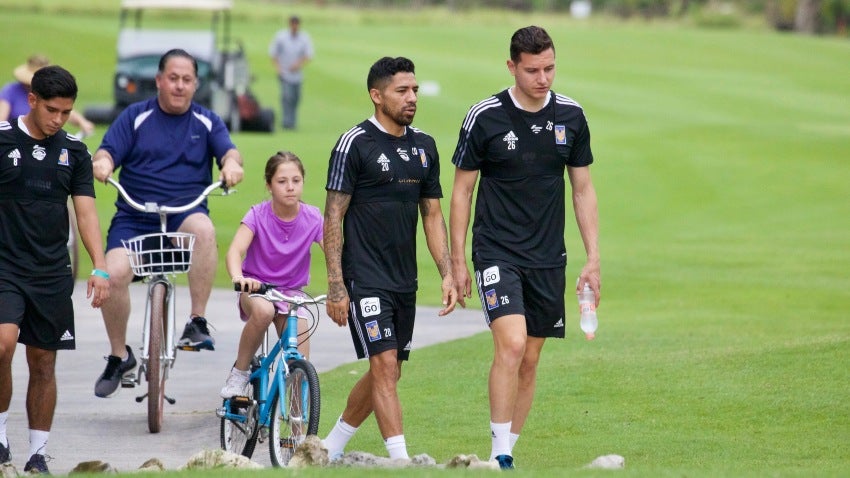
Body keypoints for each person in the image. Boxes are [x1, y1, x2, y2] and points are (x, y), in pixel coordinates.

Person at [449, 26, 600, 470]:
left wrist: (593, 258)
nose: (543, 78)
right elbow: (461, 192)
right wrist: (457, 262)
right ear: (511, 66)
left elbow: (583, 189)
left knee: (531, 357)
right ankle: (500, 453)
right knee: (511, 344)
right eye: (532, 70)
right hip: (496, 250)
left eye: (550, 68)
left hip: (548, 255)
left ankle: (508, 450)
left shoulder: (571, 117)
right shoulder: (486, 117)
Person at [320, 56, 457, 461]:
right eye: (402, 90)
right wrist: (335, 284)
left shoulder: (425, 146)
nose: (412, 97)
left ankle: (331, 446)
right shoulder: (354, 144)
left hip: (404, 279)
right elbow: (333, 216)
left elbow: (432, 214)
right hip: (365, 277)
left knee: (390, 369)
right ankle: (401, 461)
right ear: (376, 95)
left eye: (414, 89)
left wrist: (447, 274)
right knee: (383, 365)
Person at [91, 48, 245, 399]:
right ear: (159, 80)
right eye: (172, 78)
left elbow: (229, 152)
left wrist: (231, 166)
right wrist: (101, 163)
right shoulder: (135, 116)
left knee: (204, 229)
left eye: (186, 80)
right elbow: (106, 151)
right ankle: (119, 355)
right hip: (134, 215)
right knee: (112, 276)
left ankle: (197, 322)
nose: (179, 86)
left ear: (196, 84)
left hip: (183, 213)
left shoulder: (207, 121)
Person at [0, 65, 110, 474]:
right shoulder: (2, 140)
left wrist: (99, 266)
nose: (59, 120)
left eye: (66, 112)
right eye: (52, 110)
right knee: (2, 344)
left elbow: (86, 213)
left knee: (43, 361)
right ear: (31, 100)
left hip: (50, 271)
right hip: (5, 265)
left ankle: (38, 451)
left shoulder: (74, 153)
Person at [220, 151, 324, 398]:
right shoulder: (257, 214)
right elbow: (235, 251)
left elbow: (336, 253)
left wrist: (342, 284)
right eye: (282, 181)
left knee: (300, 361)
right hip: (257, 289)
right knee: (264, 311)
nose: (290, 187)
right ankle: (240, 372)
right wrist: (239, 278)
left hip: (292, 295)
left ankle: (299, 433)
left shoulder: (313, 217)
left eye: (296, 181)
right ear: (269, 185)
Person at [0, 54, 95, 137]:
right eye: (50, 110)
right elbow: (2, 119)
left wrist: (82, 122)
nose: (58, 120)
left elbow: (61, 107)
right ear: (32, 100)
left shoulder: (52, 93)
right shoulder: (10, 91)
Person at [268, 15, 314, 130]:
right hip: (284, 72)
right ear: (290, 24)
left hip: (297, 75)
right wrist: (278, 68)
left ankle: (292, 121)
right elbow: (273, 53)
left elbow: (308, 55)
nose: (294, 26)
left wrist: (298, 64)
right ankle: (286, 122)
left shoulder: (304, 38)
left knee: (295, 98)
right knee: (286, 97)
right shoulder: (281, 37)